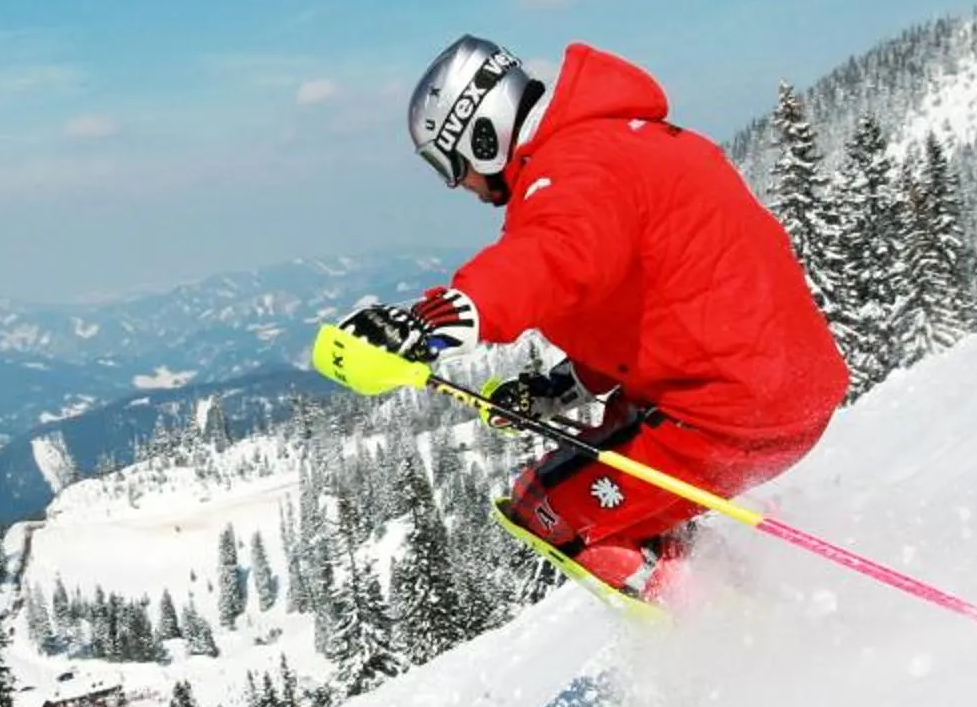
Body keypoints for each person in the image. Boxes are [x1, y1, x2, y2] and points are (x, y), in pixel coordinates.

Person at [341, 34, 849, 604]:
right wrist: (557, 389)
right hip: (788, 388)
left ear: (481, 134)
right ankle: (749, 606)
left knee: (544, 505)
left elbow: (551, 258)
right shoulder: (633, 143)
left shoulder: (573, 170)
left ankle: (729, 642)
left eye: (449, 163)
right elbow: (654, 302)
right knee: (624, 480)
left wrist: (434, 322)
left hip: (724, 411)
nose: (460, 184)